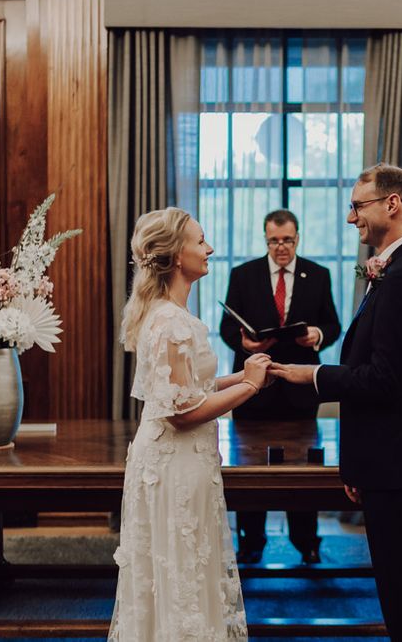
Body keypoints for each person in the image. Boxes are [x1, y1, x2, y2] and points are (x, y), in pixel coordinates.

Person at [272, 163, 402, 641]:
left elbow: (384, 381)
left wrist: (311, 374)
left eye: (357, 206)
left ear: (391, 204)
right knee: (401, 599)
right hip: (390, 465)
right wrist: (359, 466)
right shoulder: (397, 271)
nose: (352, 218)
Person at [108, 207, 273, 641]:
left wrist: (240, 375)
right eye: (201, 241)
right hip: (174, 464)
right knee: (179, 568)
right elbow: (181, 414)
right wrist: (251, 389)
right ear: (177, 255)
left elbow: (188, 387)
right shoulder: (170, 322)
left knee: (187, 565)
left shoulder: (169, 315)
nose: (210, 248)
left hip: (184, 461)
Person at [220, 209, 341, 565]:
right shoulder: (243, 275)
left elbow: (332, 324)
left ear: (297, 237)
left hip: (300, 390)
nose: (281, 247)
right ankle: (251, 542)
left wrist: (316, 336)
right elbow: (228, 329)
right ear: (265, 239)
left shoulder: (318, 275)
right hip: (253, 389)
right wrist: (247, 347)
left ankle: (306, 542)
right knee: (249, 470)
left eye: (287, 240)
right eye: (274, 240)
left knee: (304, 471)